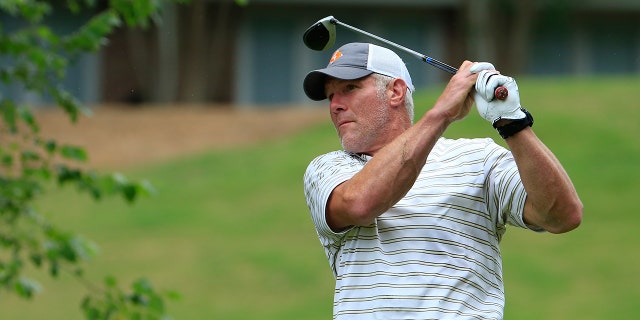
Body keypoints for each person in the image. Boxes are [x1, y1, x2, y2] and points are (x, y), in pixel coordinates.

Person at [302, 42, 583, 320]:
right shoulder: (328, 169)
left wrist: (512, 122)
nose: (336, 105)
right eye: (330, 97)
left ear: (396, 92)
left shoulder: (477, 158)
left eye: (350, 89)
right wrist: (442, 113)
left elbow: (562, 215)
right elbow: (360, 204)